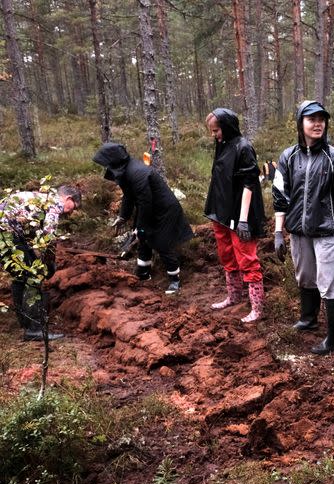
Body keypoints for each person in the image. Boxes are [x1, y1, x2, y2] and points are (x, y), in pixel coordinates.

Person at [272, 100, 334, 354]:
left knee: (330, 282)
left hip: (327, 231)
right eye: (311, 119)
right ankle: (308, 319)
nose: (317, 123)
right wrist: (279, 232)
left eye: (321, 119)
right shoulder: (287, 157)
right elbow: (280, 194)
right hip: (298, 231)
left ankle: (333, 338)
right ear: (301, 123)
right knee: (305, 276)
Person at [93, 143, 194, 295]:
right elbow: (129, 196)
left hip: (164, 210)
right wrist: (123, 217)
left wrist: (140, 228)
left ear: (114, 160)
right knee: (144, 239)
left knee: (161, 243)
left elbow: (145, 203)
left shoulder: (137, 173)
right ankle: (143, 273)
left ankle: (175, 280)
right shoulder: (126, 171)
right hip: (150, 209)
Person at [205, 108, 268, 323]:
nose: (214, 135)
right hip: (221, 212)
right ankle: (234, 296)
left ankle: (257, 308)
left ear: (227, 126)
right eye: (212, 131)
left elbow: (249, 184)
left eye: (216, 130)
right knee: (227, 255)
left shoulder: (244, 147)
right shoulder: (222, 145)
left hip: (241, 214)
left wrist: (242, 220)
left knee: (247, 258)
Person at [0, 185, 81, 340]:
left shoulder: (40, 198)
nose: (71, 212)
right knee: (33, 276)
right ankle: (34, 329)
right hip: (6, 233)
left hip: (7, 232)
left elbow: (30, 234)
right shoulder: (54, 204)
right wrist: (50, 264)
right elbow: (48, 240)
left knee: (20, 275)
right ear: (68, 198)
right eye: (73, 207)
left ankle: (26, 322)